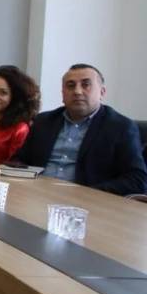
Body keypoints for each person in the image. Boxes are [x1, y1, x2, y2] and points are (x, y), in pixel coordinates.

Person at [11, 64, 147, 196]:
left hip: (87, 202)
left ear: (102, 92)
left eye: (86, 85)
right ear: (62, 94)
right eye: (70, 86)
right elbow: (20, 160)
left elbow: (137, 179)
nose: (77, 91)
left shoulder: (121, 127)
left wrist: (88, 193)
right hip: (37, 194)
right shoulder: (43, 121)